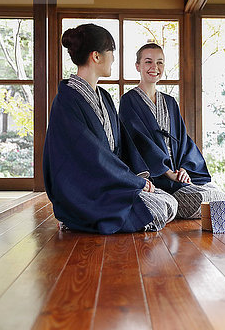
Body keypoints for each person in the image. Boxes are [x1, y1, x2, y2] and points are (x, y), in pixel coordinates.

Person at [43, 24, 178, 234]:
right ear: (96, 56)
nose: (113, 58)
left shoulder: (104, 97)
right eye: (111, 52)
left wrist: (139, 180)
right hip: (86, 191)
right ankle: (76, 218)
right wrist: (133, 182)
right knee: (159, 207)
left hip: (110, 183)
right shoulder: (66, 101)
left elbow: (122, 145)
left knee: (168, 201)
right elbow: (90, 156)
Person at [119, 42, 225, 219]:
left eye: (160, 62)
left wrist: (184, 169)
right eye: (148, 62)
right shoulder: (128, 101)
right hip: (154, 176)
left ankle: (180, 200)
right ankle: (172, 201)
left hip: (177, 174)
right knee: (197, 200)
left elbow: (184, 141)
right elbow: (137, 143)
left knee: (215, 194)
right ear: (138, 66)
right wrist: (167, 172)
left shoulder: (170, 102)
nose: (155, 67)